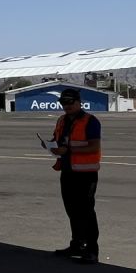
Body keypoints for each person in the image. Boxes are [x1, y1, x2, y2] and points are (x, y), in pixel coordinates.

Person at [47, 88, 101, 263]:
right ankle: (77, 244)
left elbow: (94, 146)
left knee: (86, 211)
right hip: (67, 171)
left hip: (85, 173)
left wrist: (68, 150)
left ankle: (92, 250)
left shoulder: (90, 121)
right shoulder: (62, 120)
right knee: (72, 210)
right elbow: (58, 139)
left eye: (70, 102)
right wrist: (51, 146)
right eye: (64, 103)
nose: (67, 106)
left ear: (79, 102)